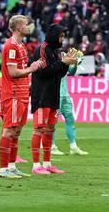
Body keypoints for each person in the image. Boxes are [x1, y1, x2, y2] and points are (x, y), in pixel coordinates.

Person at [0, 15, 43, 178]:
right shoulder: (11, 46)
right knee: (9, 131)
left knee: (16, 131)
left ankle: (11, 167)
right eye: (25, 24)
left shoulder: (21, 45)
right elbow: (12, 72)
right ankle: (3, 169)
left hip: (22, 93)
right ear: (17, 27)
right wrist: (32, 69)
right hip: (13, 94)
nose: (28, 26)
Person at [30, 24, 77, 175]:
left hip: (54, 96)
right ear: (54, 35)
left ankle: (47, 163)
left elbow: (59, 74)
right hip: (42, 95)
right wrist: (63, 63)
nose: (63, 39)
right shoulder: (42, 49)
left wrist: (67, 63)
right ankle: (36, 165)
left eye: (64, 36)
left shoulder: (56, 52)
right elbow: (44, 73)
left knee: (50, 129)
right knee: (39, 129)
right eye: (61, 36)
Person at [51, 57, 89, 156]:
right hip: (55, 94)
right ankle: (52, 146)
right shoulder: (50, 57)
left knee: (70, 119)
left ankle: (73, 147)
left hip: (65, 95)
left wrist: (75, 64)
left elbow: (71, 72)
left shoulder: (63, 56)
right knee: (53, 122)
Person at [0, 76, 28, 163]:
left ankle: (13, 156)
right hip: (0, 90)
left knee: (16, 126)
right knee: (9, 124)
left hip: (14, 93)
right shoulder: (30, 71)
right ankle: (7, 156)